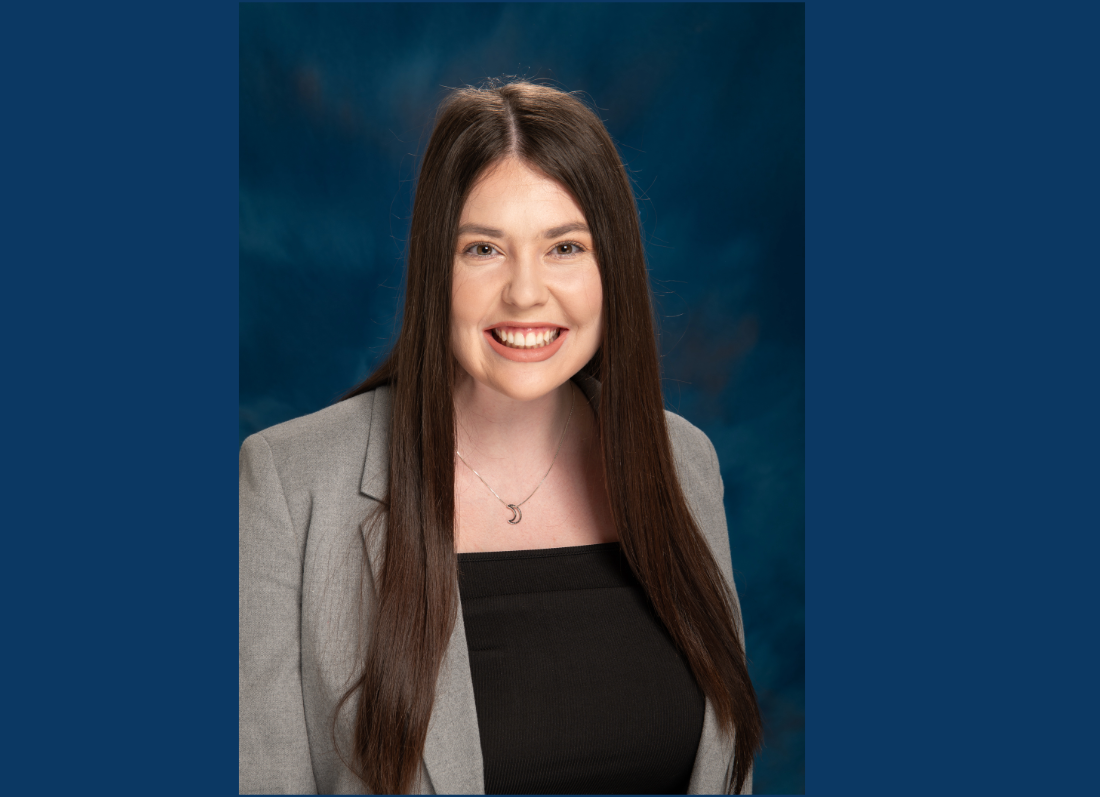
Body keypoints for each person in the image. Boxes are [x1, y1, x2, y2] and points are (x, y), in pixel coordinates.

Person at [240, 80, 761, 795]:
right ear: (435, 269)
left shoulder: (684, 463)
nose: (525, 292)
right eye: (484, 248)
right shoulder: (290, 484)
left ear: (613, 267)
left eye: (564, 247)